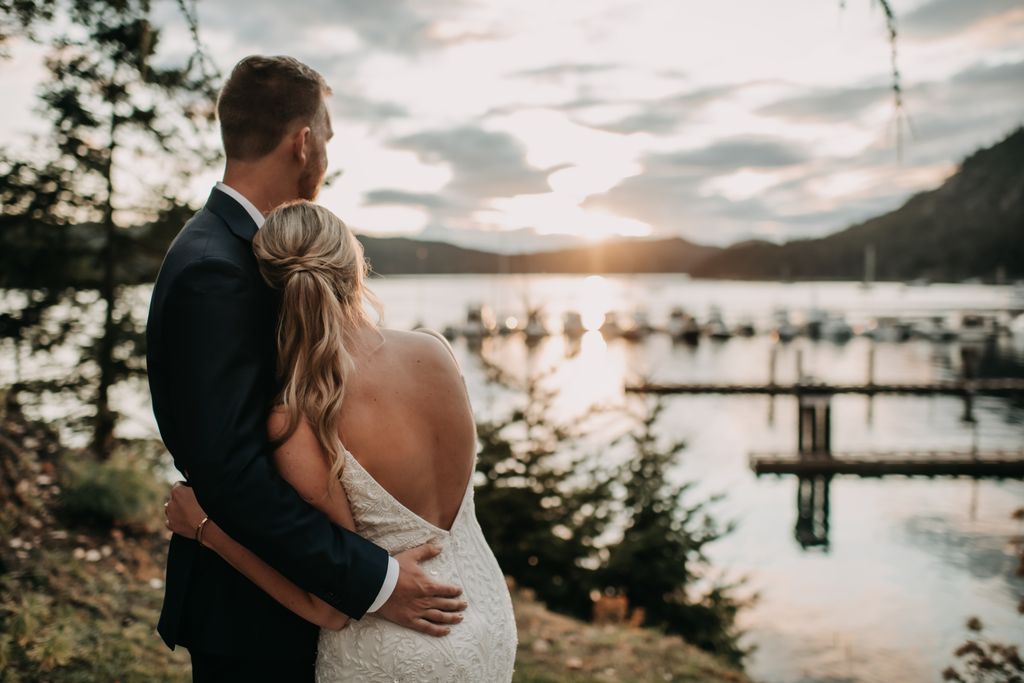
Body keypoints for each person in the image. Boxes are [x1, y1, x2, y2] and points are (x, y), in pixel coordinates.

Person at [146, 55, 466, 682]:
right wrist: (374, 579)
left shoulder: (246, 253)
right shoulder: (217, 266)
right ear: (304, 141)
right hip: (258, 620)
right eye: (328, 135)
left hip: (306, 600)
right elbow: (230, 467)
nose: (326, 151)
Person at [164, 200, 518, 682]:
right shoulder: (434, 350)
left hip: (395, 646)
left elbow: (326, 607)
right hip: (484, 615)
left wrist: (206, 527)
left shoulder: (298, 416)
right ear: (355, 266)